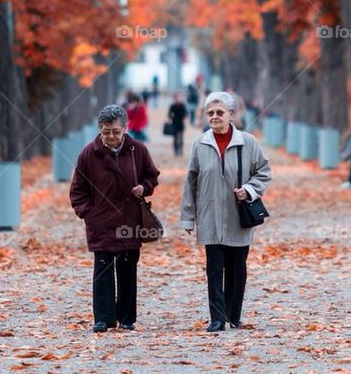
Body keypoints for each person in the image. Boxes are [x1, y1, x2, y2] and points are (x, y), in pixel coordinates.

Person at [180, 91, 271, 332]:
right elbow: (191, 182)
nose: (214, 117)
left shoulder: (248, 142)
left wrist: (250, 190)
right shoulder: (199, 144)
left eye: (219, 112)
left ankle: (234, 314)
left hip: (237, 215)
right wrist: (188, 218)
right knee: (214, 268)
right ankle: (217, 318)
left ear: (231, 115)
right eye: (210, 113)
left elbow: (263, 171)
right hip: (209, 216)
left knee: (237, 269)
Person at [69, 104, 161, 333]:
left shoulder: (137, 150)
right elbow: (77, 190)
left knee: (128, 270)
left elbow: (152, 176)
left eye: (115, 131)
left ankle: (127, 318)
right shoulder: (89, 154)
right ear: (100, 129)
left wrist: (144, 187)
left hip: (129, 221)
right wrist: (88, 213)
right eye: (106, 131)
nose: (110, 136)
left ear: (125, 128)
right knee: (102, 272)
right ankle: (103, 318)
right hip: (101, 222)